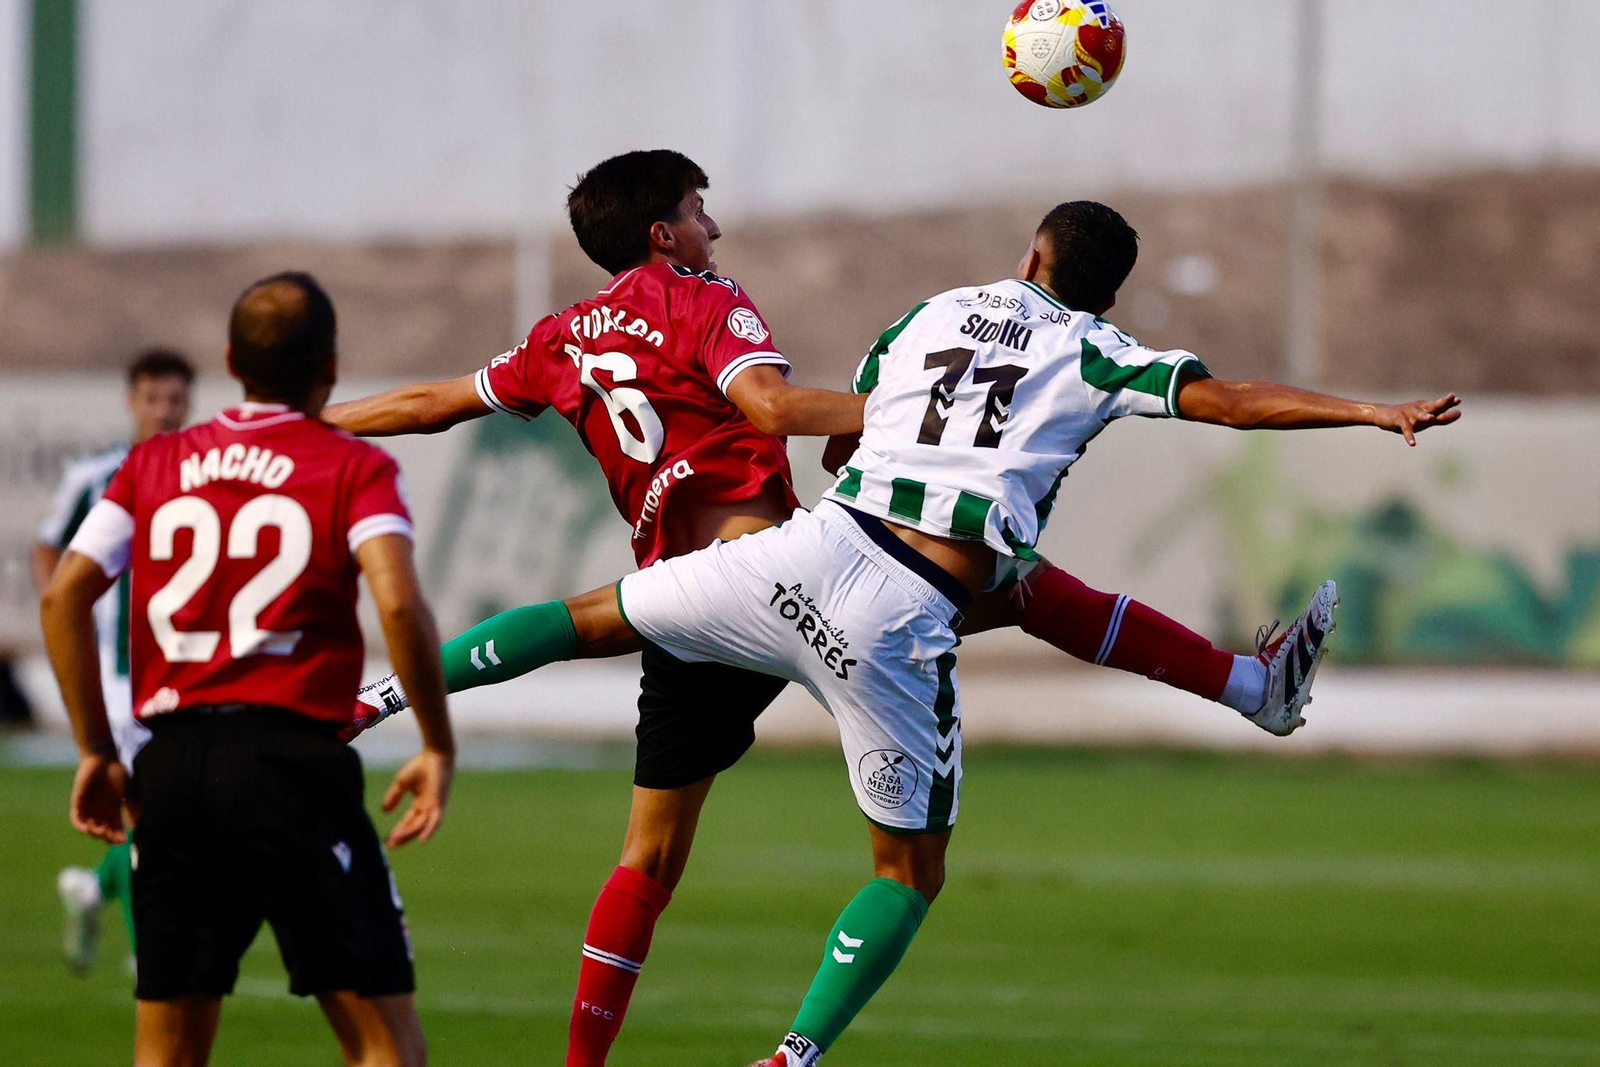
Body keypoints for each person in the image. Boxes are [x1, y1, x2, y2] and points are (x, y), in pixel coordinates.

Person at [324, 151, 1358, 1066]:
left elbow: (429, 404)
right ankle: (1248, 684)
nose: (713, 226)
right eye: (697, 207)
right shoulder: (705, 297)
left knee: (643, 839)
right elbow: (772, 408)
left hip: (705, 602)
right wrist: (928, 421)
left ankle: (385, 723)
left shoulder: (558, 337)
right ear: (663, 232)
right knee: (999, 615)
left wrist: (307, 422)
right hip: (776, 569)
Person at [39, 273, 456, 1067]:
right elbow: (399, 606)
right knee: (384, 1046)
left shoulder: (153, 463)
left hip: (173, 770)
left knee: (167, 1051)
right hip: (294, 766)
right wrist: (438, 741)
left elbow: (63, 596)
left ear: (231, 360)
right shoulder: (352, 465)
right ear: (331, 366)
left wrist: (97, 750)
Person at [37, 348, 194, 974]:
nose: (164, 410)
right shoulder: (96, 477)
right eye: (153, 398)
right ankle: (148, 952)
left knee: (171, 807)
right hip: (123, 668)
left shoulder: (205, 468)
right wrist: (65, 617)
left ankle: (92, 887)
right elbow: (49, 554)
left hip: (190, 664)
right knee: (146, 808)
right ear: (132, 401)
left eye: (175, 399)